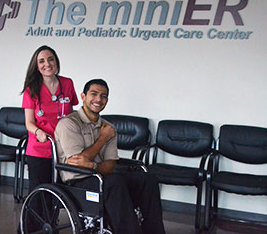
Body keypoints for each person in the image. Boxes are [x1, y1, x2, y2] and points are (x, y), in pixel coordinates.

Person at [54, 79, 165, 234]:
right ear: (83, 96)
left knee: (148, 179)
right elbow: (77, 163)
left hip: (102, 176)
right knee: (114, 182)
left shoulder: (108, 127)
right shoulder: (69, 124)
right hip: (76, 182)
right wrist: (102, 139)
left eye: (104, 96)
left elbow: (110, 166)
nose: (99, 99)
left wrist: (93, 165)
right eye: (94, 94)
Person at [21, 45, 78, 194]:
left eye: (50, 59)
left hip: (63, 148)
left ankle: (52, 218)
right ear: (37, 66)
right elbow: (29, 122)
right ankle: (35, 218)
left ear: (56, 62)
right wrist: (38, 132)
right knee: (40, 191)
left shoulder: (67, 84)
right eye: (42, 61)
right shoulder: (31, 89)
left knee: (60, 191)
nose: (47, 64)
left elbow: (71, 114)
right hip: (40, 148)